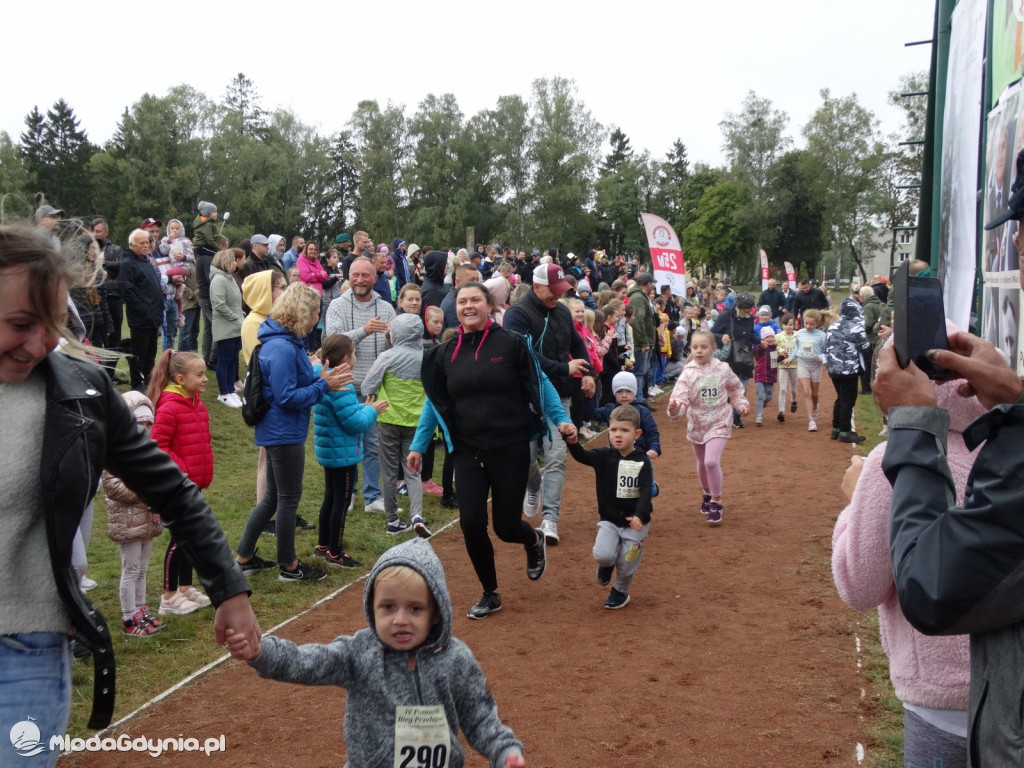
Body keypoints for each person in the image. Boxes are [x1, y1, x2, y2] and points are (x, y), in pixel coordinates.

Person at [0, 225, 260, 747]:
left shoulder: (83, 391)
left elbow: (174, 491)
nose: (40, 343)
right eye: (21, 323)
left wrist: (229, 588)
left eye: (53, 323)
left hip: (28, 645)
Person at [226, 538, 527, 768]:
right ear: (372, 607)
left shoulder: (456, 659)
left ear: (436, 613)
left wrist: (505, 751)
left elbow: (479, 715)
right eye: (388, 607)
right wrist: (262, 652)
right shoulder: (359, 652)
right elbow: (307, 661)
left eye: (415, 608)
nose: (400, 619)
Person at [875, 331, 1024, 765]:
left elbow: (928, 586)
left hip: (946, 707)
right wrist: (1016, 403)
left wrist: (912, 425)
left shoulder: (880, 466)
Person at [833, 373, 979, 768]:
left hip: (941, 694)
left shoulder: (891, 460)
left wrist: (854, 504)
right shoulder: (1010, 445)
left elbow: (860, 585)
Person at [407, 281, 575, 619]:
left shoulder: (512, 343)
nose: (468, 306)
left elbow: (540, 382)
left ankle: (532, 541)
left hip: (510, 446)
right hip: (467, 449)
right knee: (471, 523)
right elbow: (435, 402)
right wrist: (418, 445)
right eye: (462, 301)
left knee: (506, 526)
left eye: (475, 300)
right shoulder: (445, 353)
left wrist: (561, 419)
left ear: (489, 305)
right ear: (456, 308)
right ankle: (490, 592)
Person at [234, 283, 353, 583]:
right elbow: (286, 397)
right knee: (287, 499)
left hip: (281, 429)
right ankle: (289, 566)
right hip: (283, 432)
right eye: (315, 313)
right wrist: (323, 384)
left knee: (273, 498)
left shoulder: (286, 342)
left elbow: (289, 386)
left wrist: (316, 376)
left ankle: (243, 558)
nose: (317, 318)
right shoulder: (282, 347)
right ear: (302, 312)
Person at [504, 263, 594, 545]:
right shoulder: (517, 315)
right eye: (553, 290)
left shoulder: (563, 312)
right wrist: (563, 368)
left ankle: (550, 518)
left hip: (560, 396)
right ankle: (534, 485)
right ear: (537, 287)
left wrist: (587, 372)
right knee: (525, 458)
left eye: (561, 290)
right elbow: (524, 355)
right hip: (525, 398)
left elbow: (577, 345)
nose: (558, 295)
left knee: (556, 457)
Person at [324, 256, 397, 513]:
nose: (360, 280)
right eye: (355, 275)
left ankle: (372, 496)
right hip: (344, 386)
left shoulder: (386, 308)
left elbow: (395, 346)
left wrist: (392, 337)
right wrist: (364, 330)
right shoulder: (337, 305)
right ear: (348, 276)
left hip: (374, 388)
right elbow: (332, 342)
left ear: (375, 278)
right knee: (348, 446)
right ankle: (348, 494)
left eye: (366, 275)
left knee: (373, 445)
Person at [147, 349, 215, 615]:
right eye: (199, 374)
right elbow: (158, 445)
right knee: (180, 538)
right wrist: (184, 471)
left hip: (192, 486)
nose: (205, 379)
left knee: (191, 538)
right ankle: (168, 596)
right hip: (177, 487)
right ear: (180, 379)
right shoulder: (170, 407)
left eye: (205, 373)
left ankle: (185, 587)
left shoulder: (198, 405)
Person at [312, 334, 388, 568]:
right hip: (343, 454)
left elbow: (344, 412)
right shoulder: (342, 386)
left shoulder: (325, 379)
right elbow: (355, 423)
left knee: (330, 497)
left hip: (331, 451)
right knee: (341, 502)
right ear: (346, 358)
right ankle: (335, 551)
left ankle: (323, 544)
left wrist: (362, 407)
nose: (356, 356)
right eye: (354, 352)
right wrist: (372, 411)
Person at [566, 404, 653, 609]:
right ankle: (606, 565)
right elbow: (582, 456)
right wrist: (572, 442)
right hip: (610, 519)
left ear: (637, 434)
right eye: (614, 430)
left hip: (635, 524)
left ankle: (620, 592)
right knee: (602, 554)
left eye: (625, 430)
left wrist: (640, 515)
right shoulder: (603, 456)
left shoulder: (642, 461)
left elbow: (645, 491)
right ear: (608, 431)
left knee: (627, 562)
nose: (618, 434)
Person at [666, 330, 749, 525]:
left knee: (711, 461)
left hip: (720, 420)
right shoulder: (687, 373)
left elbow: (735, 388)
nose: (699, 351)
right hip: (697, 423)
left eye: (703, 347)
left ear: (713, 349)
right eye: (695, 347)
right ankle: (707, 493)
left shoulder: (723, 368)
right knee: (702, 463)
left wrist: (740, 403)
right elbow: (680, 398)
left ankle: (716, 502)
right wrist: (675, 409)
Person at [362, 314, 432, 538]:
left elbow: (367, 387)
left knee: (389, 472)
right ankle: (417, 515)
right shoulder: (427, 358)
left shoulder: (387, 357)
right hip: (417, 422)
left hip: (388, 420)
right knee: (413, 470)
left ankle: (392, 521)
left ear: (398, 333)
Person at [103, 391, 165, 636]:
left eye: (149, 423)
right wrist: (146, 491)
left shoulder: (149, 449)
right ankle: (129, 618)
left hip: (146, 518)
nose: (145, 429)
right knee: (130, 569)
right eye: (140, 423)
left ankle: (141, 610)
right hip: (128, 520)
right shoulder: (114, 451)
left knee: (142, 568)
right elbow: (113, 486)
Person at [119, 228, 165, 391]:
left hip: (153, 316)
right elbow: (127, 292)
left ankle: (150, 383)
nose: (146, 245)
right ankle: (137, 384)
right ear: (132, 245)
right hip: (141, 318)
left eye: (147, 242)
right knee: (139, 354)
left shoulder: (146, 260)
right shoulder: (128, 264)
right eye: (142, 243)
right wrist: (144, 310)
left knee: (151, 354)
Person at [823, 295, 869, 443]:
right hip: (849, 369)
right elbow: (865, 347)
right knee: (848, 401)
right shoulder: (856, 327)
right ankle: (845, 431)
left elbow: (825, 347)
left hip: (833, 369)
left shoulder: (833, 326)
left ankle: (836, 429)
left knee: (840, 398)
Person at [710, 290, 757, 428]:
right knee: (726, 388)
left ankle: (736, 416)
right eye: (747, 307)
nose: (749, 310)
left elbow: (751, 335)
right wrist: (722, 337)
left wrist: (761, 341)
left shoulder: (749, 318)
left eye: (751, 307)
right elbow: (713, 333)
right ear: (739, 306)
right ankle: (724, 416)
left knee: (742, 387)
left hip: (745, 356)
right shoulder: (726, 316)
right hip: (730, 358)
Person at [210, 248, 246, 408]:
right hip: (226, 327)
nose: (235, 263)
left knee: (232, 359)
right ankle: (224, 393)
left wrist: (240, 316)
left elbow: (235, 302)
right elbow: (219, 304)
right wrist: (236, 318)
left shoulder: (229, 278)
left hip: (236, 326)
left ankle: (231, 390)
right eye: (232, 260)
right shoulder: (219, 279)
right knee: (224, 359)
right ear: (225, 262)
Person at [193, 201, 221, 370]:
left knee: (209, 328)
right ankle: (212, 359)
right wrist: (218, 249)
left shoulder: (202, 256)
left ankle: (207, 358)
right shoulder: (208, 257)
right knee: (216, 326)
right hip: (208, 296)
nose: (217, 214)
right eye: (215, 212)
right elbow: (210, 280)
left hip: (204, 296)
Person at [795, 308, 827, 431]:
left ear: (817, 324)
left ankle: (815, 406)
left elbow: (826, 352)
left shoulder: (822, 336)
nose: (808, 326)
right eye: (806, 323)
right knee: (806, 392)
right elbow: (797, 348)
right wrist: (790, 358)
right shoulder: (800, 333)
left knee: (814, 394)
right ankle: (811, 420)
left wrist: (821, 357)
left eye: (811, 324)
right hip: (802, 364)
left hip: (816, 366)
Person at [774, 312, 799, 421]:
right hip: (783, 366)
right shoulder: (778, 336)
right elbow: (773, 347)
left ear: (794, 325)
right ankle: (781, 411)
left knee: (793, 388)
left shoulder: (798, 335)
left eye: (790, 324)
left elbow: (801, 347)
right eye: (785, 324)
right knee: (783, 389)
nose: (787, 327)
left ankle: (794, 400)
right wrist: (780, 350)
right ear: (782, 325)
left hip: (794, 365)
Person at [752, 326, 779, 426]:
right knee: (760, 396)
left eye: (772, 336)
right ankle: (759, 415)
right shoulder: (759, 348)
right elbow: (757, 352)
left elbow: (774, 361)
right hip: (760, 376)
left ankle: (765, 402)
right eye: (767, 337)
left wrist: (783, 356)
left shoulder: (775, 349)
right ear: (763, 339)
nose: (770, 339)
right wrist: (762, 346)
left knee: (769, 397)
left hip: (770, 376)